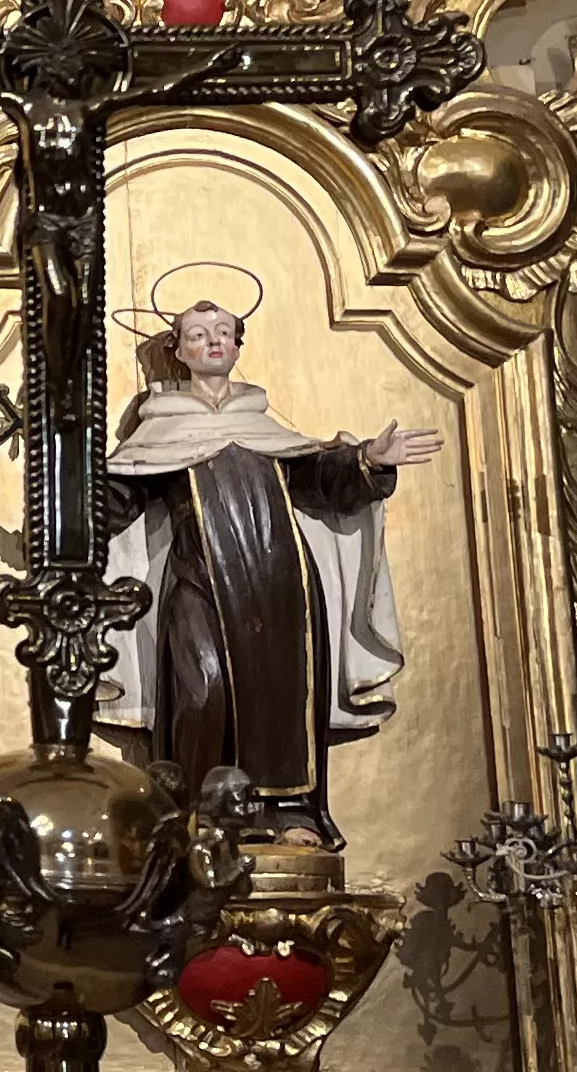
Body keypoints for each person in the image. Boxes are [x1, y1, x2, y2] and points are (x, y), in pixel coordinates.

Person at [100, 286, 438, 845]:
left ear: (237, 346)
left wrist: (368, 462)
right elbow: (123, 494)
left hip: (278, 575)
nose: (212, 342)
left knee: (282, 691)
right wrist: (69, 494)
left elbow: (319, 481)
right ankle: (200, 815)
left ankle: (289, 814)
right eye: (197, 335)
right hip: (199, 573)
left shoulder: (264, 425)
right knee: (200, 689)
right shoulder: (161, 425)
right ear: (178, 351)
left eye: (222, 334)